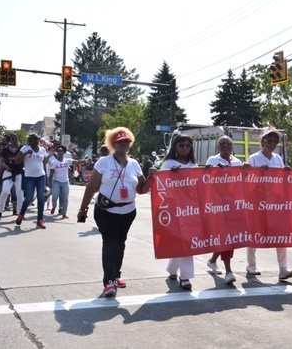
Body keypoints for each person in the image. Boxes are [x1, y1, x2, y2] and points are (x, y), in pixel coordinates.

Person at [77, 127, 152, 297]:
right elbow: (91, 187)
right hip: (106, 211)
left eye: (126, 141)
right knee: (110, 243)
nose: (124, 144)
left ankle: (116, 275)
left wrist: (151, 178)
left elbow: (141, 189)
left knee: (121, 243)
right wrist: (83, 209)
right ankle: (108, 282)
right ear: (113, 144)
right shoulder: (103, 162)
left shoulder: (134, 164)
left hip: (128, 212)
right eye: (120, 142)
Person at [243, 127, 292, 282]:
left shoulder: (278, 159)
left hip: (274, 203)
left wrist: (286, 172)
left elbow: (280, 181)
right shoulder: (254, 158)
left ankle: (283, 269)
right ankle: (251, 265)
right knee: (255, 232)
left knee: (280, 234)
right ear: (262, 142)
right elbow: (247, 178)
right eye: (269, 140)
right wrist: (258, 172)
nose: (272, 144)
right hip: (258, 202)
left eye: (275, 141)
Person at [160, 134, 198, 290]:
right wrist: (171, 174)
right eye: (181, 145)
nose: (185, 148)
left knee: (186, 240)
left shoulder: (194, 165)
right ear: (175, 147)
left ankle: (175, 271)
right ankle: (185, 276)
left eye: (188, 145)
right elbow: (162, 186)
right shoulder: (168, 163)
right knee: (179, 239)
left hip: (190, 208)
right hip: (173, 207)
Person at [205, 135, 243, 284]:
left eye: (228, 144)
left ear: (232, 147)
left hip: (233, 204)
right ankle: (228, 271)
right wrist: (217, 171)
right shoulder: (212, 160)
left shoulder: (237, 162)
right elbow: (208, 180)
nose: (225, 146)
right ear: (217, 147)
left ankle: (213, 260)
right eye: (222, 143)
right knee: (226, 234)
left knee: (228, 235)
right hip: (218, 204)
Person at [15, 133, 53, 229]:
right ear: (31, 140)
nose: (37, 140)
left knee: (41, 199)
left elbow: (44, 163)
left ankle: (40, 221)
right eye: (35, 139)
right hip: (29, 177)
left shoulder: (42, 150)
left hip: (41, 176)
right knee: (28, 198)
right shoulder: (25, 148)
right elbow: (16, 161)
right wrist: (25, 153)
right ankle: (21, 215)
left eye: (38, 138)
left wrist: (46, 177)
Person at [47, 145, 85, 219]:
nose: (60, 152)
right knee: (55, 196)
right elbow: (51, 173)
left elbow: (76, 162)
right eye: (58, 151)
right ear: (57, 153)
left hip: (65, 182)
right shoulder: (54, 162)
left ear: (63, 152)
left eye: (61, 151)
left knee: (65, 198)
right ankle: (54, 207)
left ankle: (64, 213)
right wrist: (50, 182)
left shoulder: (67, 161)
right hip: (56, 182)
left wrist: (85, 161)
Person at [0, 133, 24, 218]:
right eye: (12, 138)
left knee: (19, 193)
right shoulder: (6, 150)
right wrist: (4, 165)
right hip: (8, 172)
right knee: (5, 191)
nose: (14, 140)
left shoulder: (22, 148)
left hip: (19, 173)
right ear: (10, 141)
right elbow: (1, 161)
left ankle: (20, 213)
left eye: (16, 138)